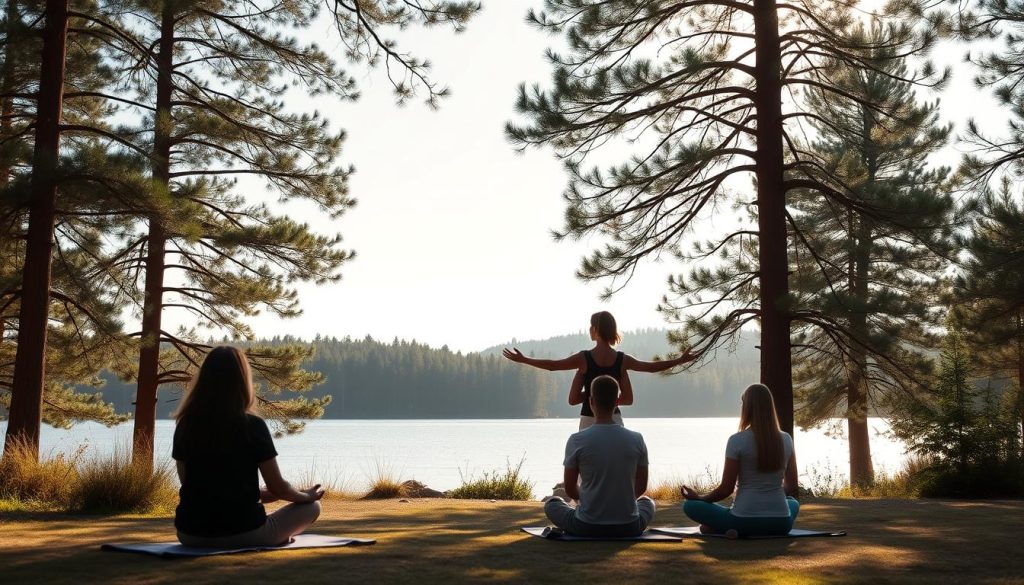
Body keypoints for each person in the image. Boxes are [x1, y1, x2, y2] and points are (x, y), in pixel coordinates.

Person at [172, 346, 325, 548]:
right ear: (242, 380)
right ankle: (275, 536)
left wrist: (258, 494)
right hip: (243, 532)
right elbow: (277, 486)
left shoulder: (185, 425)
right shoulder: (252, 426)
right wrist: (306, 496)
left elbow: (194, 486)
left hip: (190, 534)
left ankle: (272, 533)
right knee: (313, 507)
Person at [503, 310, 694, 429]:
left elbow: (554, 366)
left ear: (596, 329)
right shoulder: (621, 360)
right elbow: (650, 368)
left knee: (586, 474)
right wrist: (680, 360)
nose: (588, 329)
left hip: (588, 420)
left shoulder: (584, 359)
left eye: (590, 326)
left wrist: (524, 360)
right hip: (614, 420)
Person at [680, 383, 800, 538]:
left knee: (690, 506)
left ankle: (721, 528)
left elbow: (726, 489)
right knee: (792, 503)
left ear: (747, 408)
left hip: (742, 520)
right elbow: (791, 486)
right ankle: (722, 528)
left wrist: (700, 499)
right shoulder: (786, 439)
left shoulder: (737, 441)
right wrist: (769, 501)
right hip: (781, 523)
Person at [543, 375, 656, 537]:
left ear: (591, 402)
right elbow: (641, 486)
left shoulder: (576, 440)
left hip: (587, 525)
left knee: (552, 504)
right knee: (647, 502)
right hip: (628, 526)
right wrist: (621, 502)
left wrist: (589, 500)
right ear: (617, 402)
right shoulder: (636, 438)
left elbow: (570, 488)